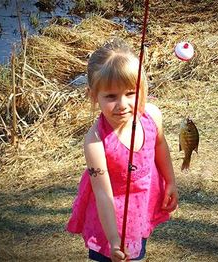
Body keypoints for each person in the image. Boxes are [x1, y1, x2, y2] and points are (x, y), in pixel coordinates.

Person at [66, 38, 178, 262]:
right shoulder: (95, 142)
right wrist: (114, 240)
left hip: (143, 205)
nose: (123, 104)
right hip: (110, 218)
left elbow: (160, 146)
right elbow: (102, 194)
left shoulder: (152, 116)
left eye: (130, 93)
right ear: (93, 95)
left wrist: (171, 181)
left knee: (138, 253)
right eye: (110, 96)